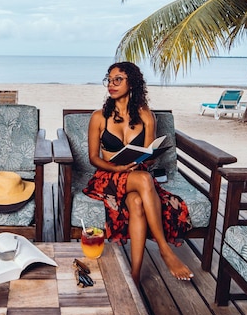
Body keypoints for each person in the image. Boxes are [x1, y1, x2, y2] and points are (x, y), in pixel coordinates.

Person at [83, 61, 193, 284]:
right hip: (108, 176)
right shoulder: (99, 117)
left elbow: (149, 155)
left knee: (136, 203)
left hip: (136, 176)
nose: (111, 84)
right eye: (109, 80)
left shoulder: (146, 116)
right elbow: (93, 158)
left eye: (118, 80)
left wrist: (145, 157)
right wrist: (117, 167)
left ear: (131, 83)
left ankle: (134, 275)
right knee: (144, 179)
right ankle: (165, 250)